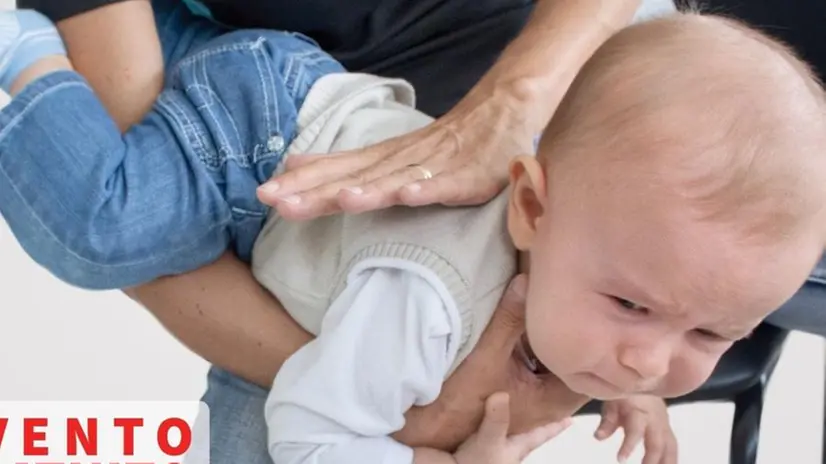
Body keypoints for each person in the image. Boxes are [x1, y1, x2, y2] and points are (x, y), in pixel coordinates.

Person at [2, 6, 825, 464]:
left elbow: (654, 295)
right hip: (257, 123)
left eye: (714, 330)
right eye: (632, 307)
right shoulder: (425, 299)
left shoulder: (609, 251)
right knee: (105, 228)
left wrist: (629, 385)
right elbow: (310, 430)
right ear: (530, 210)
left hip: (411, 87)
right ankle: (27, 56)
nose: (654, 356)